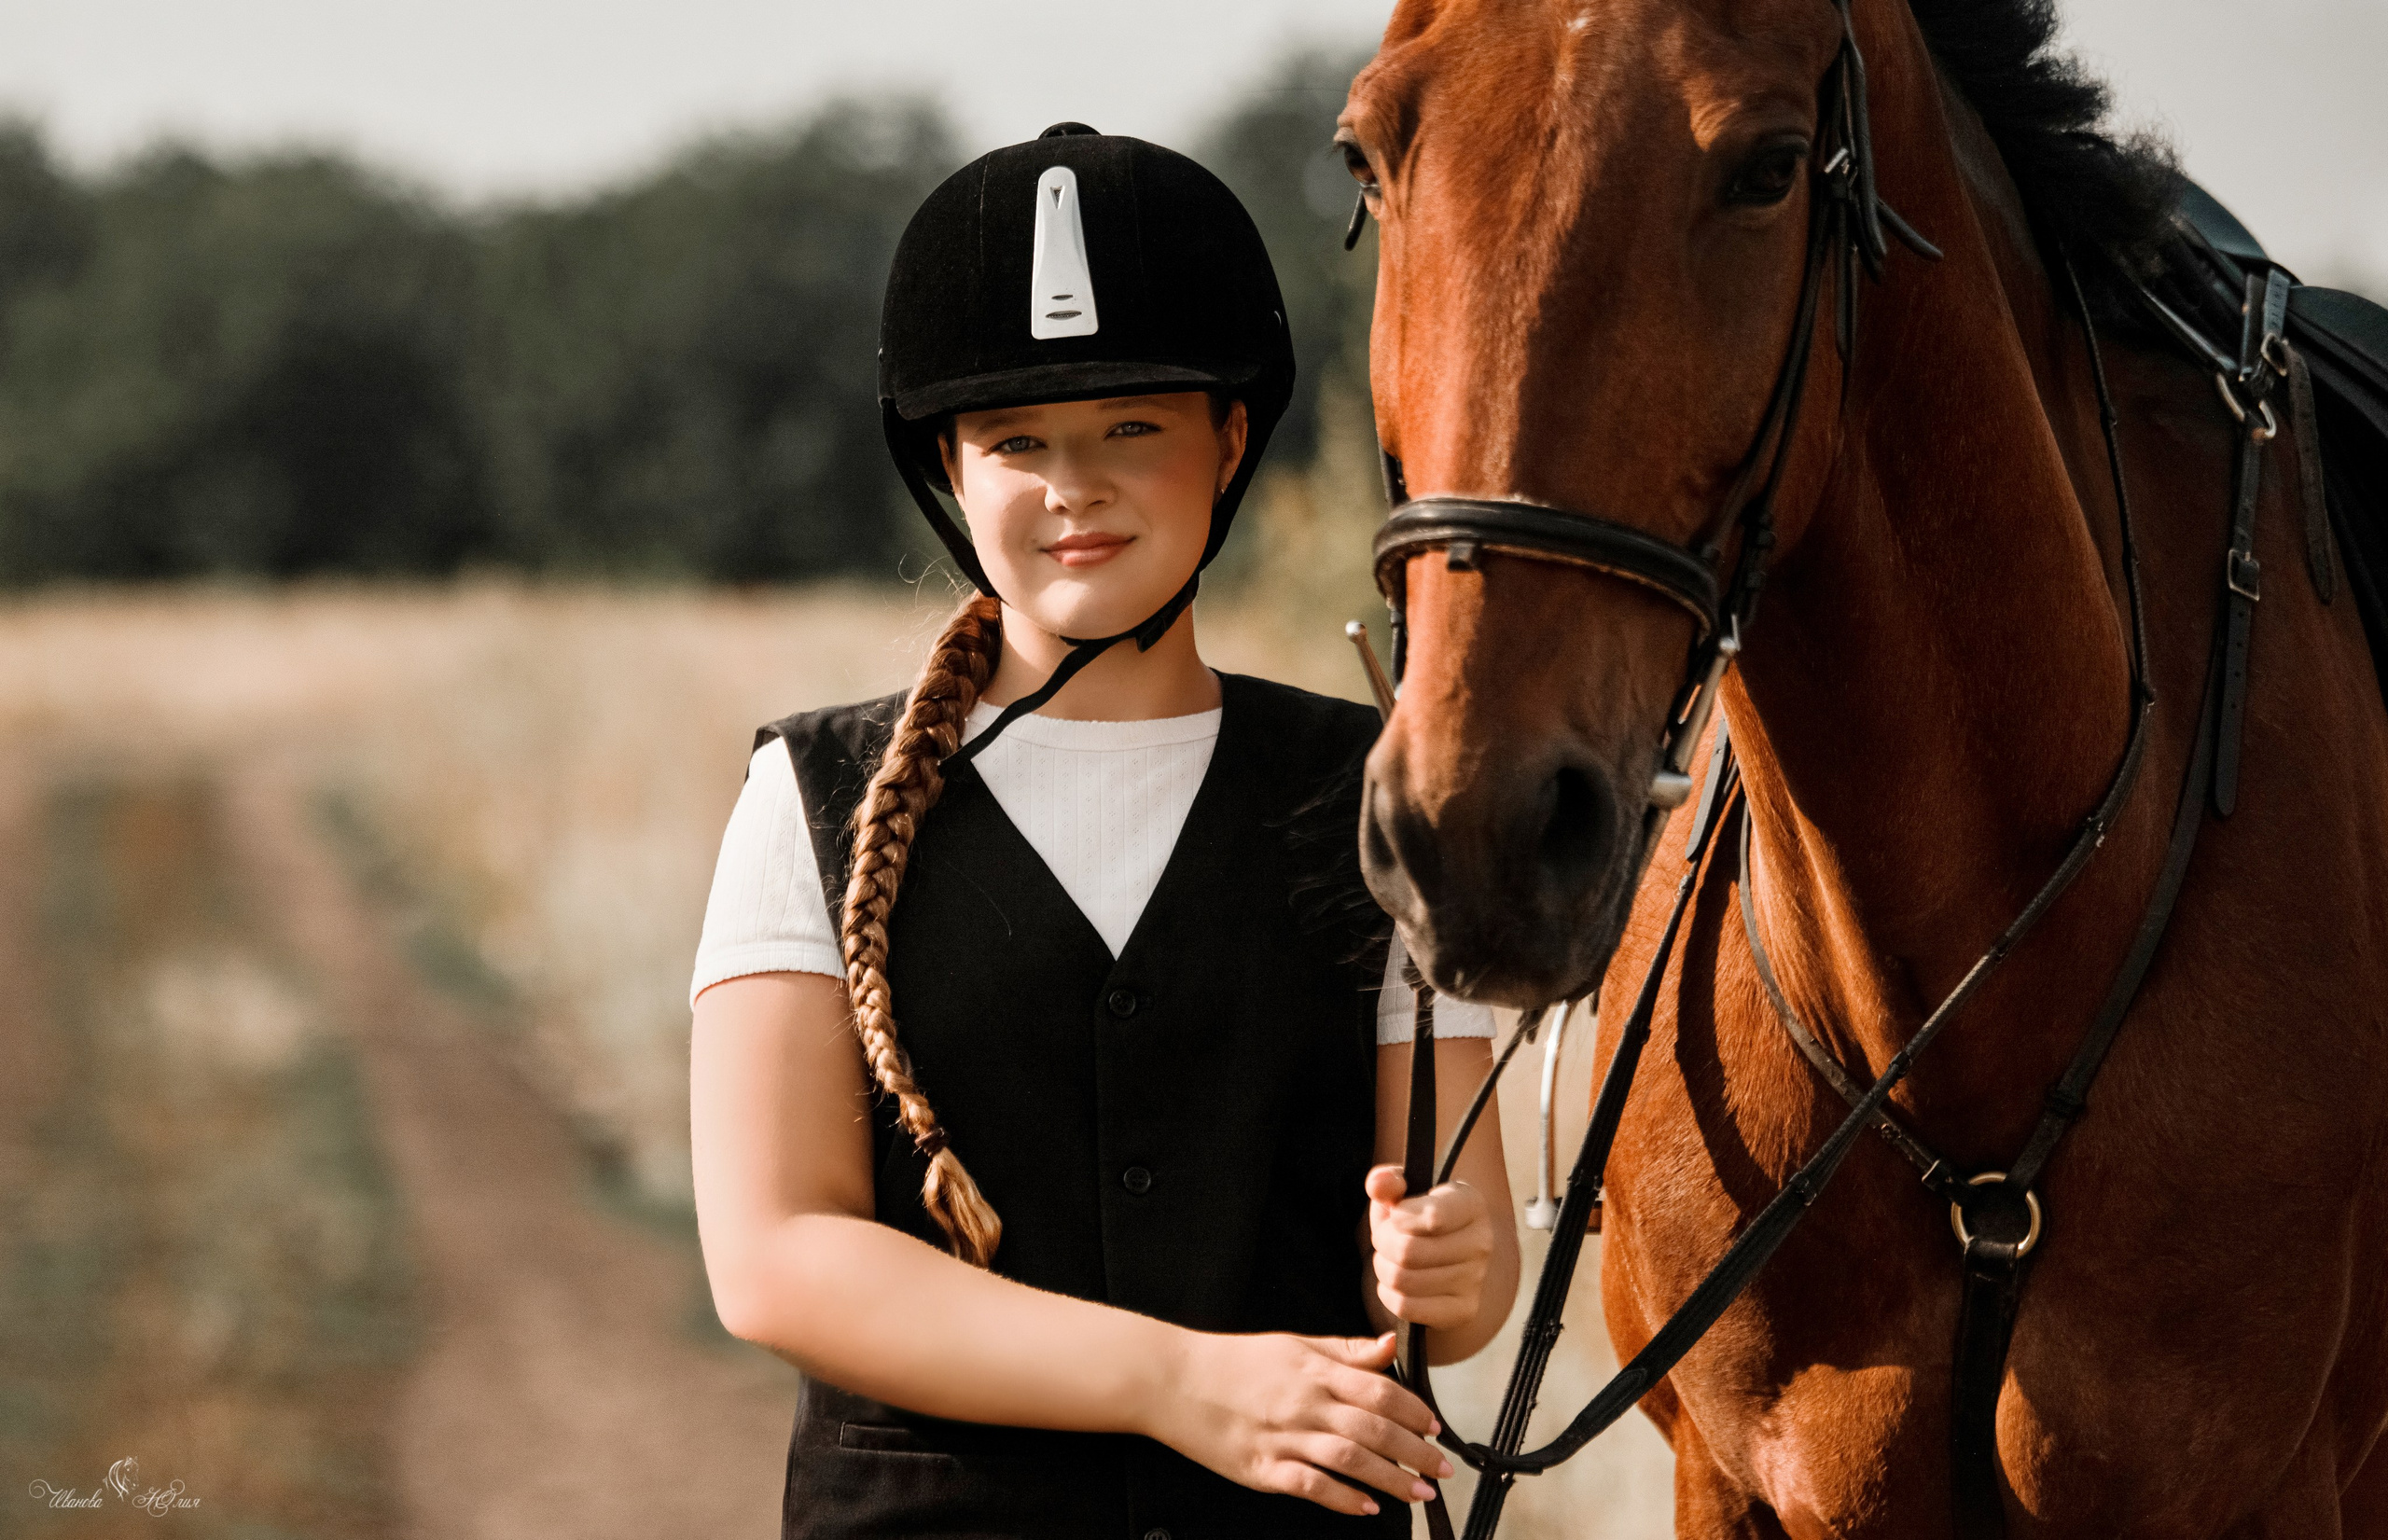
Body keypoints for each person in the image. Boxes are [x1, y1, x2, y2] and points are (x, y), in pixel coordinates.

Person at [687, 123, 1520, 1539]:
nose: (1076, 486)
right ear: (951, 471)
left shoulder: (1367, 787)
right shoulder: (810, 799)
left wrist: (1447, 1269)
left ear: (1231, 438)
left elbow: (1461, 1260)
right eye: (1019, 442)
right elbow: (775, 1259)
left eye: (1133, 428)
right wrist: (1173, 1385)